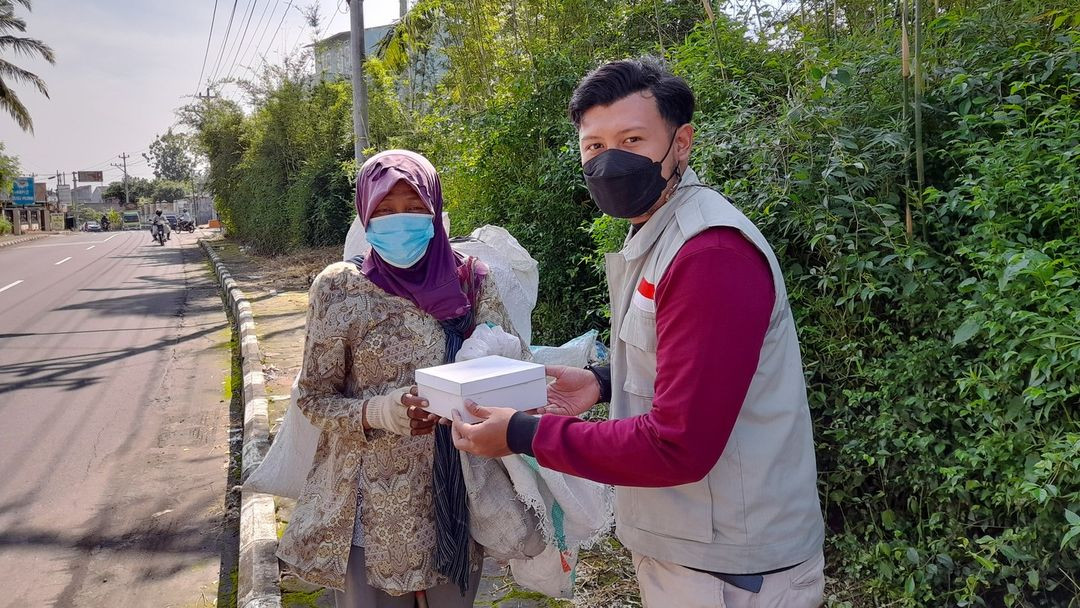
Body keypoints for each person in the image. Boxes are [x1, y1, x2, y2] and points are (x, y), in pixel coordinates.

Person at [449, 58, 826, 607]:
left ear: (681, 143)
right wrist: (602, 382)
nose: (611, 162)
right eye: (594, 146)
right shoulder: (659, 234)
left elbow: (678, 445)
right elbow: (690, 365)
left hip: (732, 568)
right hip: (695, 542)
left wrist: (523, 434)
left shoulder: (709, 253)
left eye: (631, 139)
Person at [276, 149, 525, 608]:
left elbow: (513, 366)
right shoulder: (338, 287)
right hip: (368, 504)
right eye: (385, 211)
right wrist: (380, 411)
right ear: (365, 216)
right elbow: (312, 397)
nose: (400, 221)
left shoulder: (469, 280)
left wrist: (470, 393)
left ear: (435, 210)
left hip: (451, 493)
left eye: (414, 209)